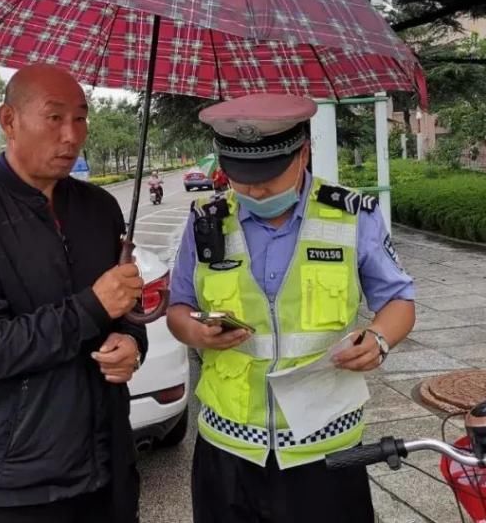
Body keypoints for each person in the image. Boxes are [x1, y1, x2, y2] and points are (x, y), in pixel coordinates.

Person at [167, 93, 417, 523]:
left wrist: (378, 339)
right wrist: (195, 332)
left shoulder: (351, 215)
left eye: (268, 174)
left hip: (326, 448)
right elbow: (179, 306)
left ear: (304, 152)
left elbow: (398, 299)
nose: (255, 188)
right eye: (241, 175)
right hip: (228, 447)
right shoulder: (207, 220)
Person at [0, 64, 148, 523]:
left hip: (108, 466)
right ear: (8, 120)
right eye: (54, 118)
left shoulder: (99, 209)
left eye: (82, 118)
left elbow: (124, 307)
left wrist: (132, 341)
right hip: (17, 484)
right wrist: (92, 306)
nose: (72, 135)